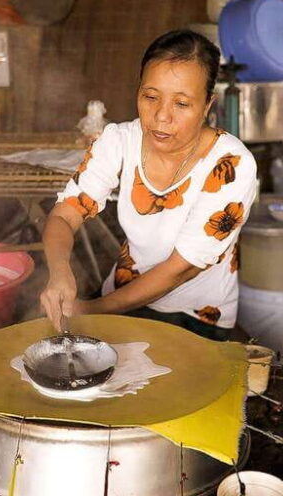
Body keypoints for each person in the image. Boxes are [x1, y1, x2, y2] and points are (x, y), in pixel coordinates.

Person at [40, 29, 257, 340]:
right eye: (150, 97)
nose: (161, 117)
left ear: (208, 104)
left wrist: (92, 310)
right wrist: (59, 273)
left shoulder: (231, 165)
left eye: (181, 104)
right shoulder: (119, 140)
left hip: (196, 317)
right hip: (121, 299)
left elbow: (181, 268)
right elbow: (65, 214)